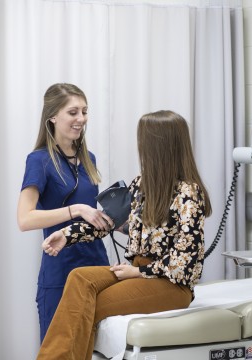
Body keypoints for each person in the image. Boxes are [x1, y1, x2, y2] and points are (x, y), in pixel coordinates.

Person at [37, 110, 212, 360]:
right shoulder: (140, 184)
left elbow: (186, 262)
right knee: (80, 278)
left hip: (171, 286)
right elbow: (107, 221)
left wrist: (139, 272)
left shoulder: (189, 193)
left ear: (158, 146)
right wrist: (68, 234)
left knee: (88, 306)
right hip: (138, 273)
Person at [17, 83, 113, 342]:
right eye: (73, 112)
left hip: (97, 268)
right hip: (62, 273)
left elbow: (93, 216)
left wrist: (118, 218)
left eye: (84, 111)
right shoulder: (39, 160)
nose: (81, 119)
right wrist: (77, 210)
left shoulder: (89, 158)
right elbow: (25, 219)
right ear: (52, 116)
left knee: (99, 350)